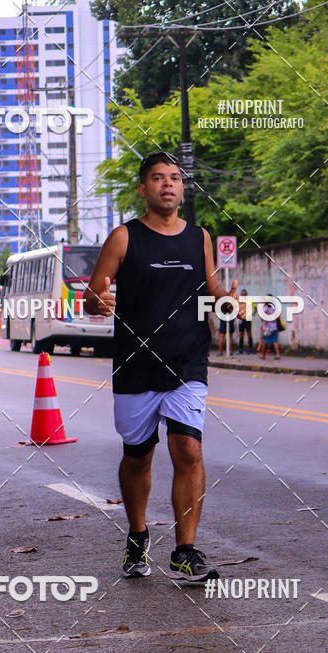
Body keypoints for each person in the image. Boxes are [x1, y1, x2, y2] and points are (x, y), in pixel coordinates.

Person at [84, 151, 243, 582]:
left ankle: (184, 550)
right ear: (144, 188)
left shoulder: (200, 238)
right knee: (138, 456)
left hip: (187, 360)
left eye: (175, 178)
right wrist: (99, 301)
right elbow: (92, 296)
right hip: (136, 363)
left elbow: (210, 289)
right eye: (158, 178)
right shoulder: (124, 237)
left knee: (188, 450)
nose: (168, 185)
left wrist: (228, 301)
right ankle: (137, 535)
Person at [237, 288, 253, 354]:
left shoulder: (249, 300)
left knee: (249, 333)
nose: (243, 295)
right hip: (241, 319)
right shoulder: (239, 301)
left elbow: (255, 308)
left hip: (247, 319)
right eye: (242, 294)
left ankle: (250, 349)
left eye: (244, 294)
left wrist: (251, 314)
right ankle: (240, 349)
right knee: (241, 334)